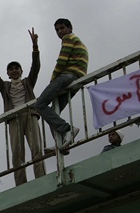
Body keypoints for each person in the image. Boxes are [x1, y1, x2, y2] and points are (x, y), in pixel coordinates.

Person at [0, 29, 46, 186]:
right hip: (14, 118)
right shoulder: (5, 86)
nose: (14, 70)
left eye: (17, 68)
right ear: (8, 73)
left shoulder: (27, 82)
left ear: (21, 71)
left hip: (30, 114)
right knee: (17, 153)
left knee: (36, 149)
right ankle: (21, 184)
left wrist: (35, 47)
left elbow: (36, 67)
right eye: (11, 69)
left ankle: (41, 178)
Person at [35, 18, 88, 152]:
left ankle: (68, 129)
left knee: (40, 104)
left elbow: (62, 61)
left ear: (70, 28)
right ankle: (62, 144)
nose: (60, 31)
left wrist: (53, 81)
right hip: (77, 79)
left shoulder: (69, 38)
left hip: (68, 76)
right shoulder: (76, 40)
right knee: (52, 113)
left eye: (62, 28)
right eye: (57, 30)